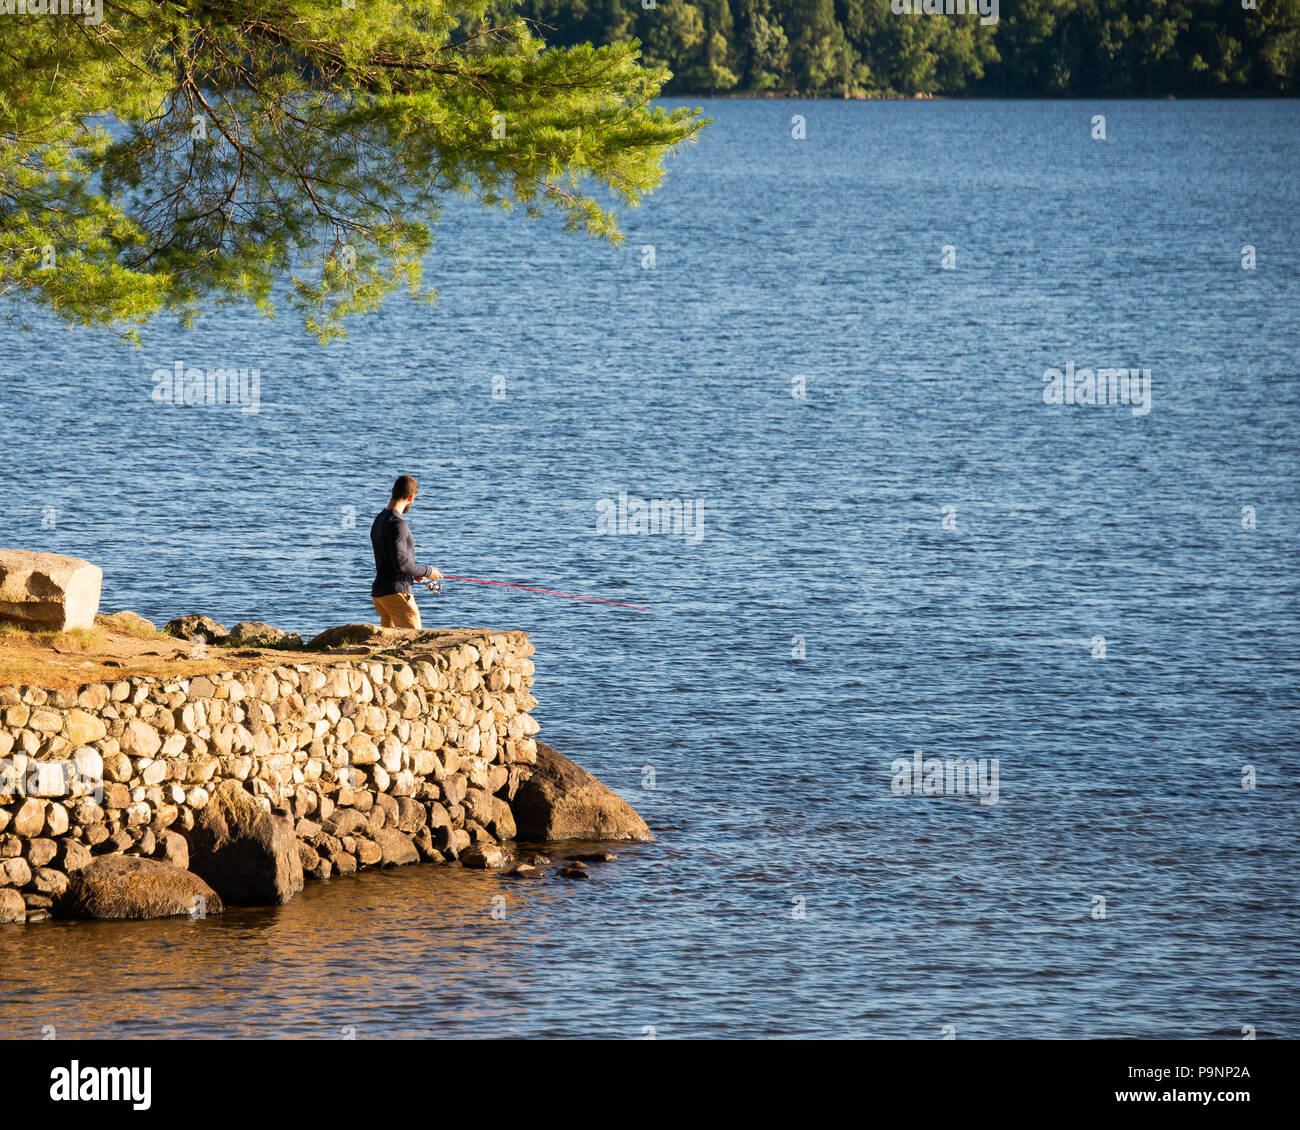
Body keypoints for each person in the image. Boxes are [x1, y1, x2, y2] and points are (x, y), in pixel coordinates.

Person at [370, 475, 442, 629]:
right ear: (412, 497)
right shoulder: (399, 525)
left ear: (392, 491)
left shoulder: (379, 519)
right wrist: (428, 571)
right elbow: (402, 564)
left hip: (380, 595)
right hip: (398, 596)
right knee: (414, 643)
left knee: (387, 644)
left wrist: (414, 573)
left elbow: (391, 560)